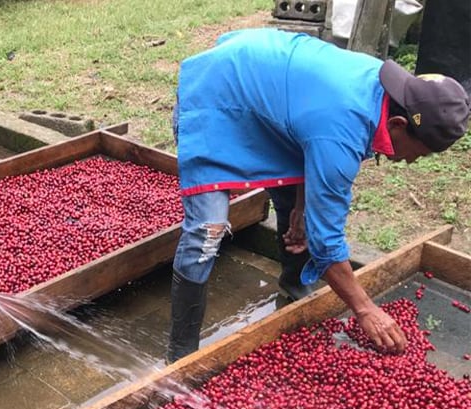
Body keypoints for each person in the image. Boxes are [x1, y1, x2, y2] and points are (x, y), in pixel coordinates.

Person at [167, 28, 470, 364]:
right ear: (398, 124)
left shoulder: (380, 95)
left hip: (269, 90)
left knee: (292, 206)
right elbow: (326, 242)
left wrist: (303, 206)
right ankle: (180, 355)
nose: (411, 161)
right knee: (206, 232)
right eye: (419, 153)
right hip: (216, 93)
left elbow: (308, 135)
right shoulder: (344, 130)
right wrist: (365, 309)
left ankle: (296, 291)